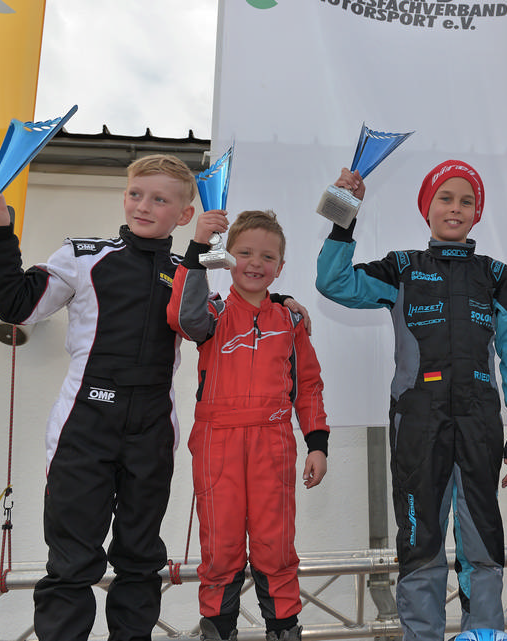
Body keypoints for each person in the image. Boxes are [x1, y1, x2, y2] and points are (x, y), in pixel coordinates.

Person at [0, 155, 303, 641]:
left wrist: (280, 302)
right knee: (72, 561)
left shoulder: (187, 271)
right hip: (84, 423)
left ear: (185, 214)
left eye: (160, 199)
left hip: (151, 429)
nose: (144, 206)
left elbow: (228, 312)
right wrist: (0, 235)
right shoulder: (83, 255)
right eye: (135, 195)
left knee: (140, 559)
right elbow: (17, 305)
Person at [315, 160, 507, 641]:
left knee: (482, 542)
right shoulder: (402, 268)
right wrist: (343, 218)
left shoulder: (495, 275)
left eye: (466, 201)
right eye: (445, 198)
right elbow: (335, 284)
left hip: (479, 422)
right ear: (427, 207)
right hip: (418, 421)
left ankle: (484, 636)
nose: (455, 208)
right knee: (421, 542)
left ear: (477, 213)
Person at [167, 209, 329, 641]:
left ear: (281, 265)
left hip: (272, 442)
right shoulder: (212, 312)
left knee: (275, 546)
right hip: (217, 443)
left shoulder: (291, 320)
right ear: (227, 258)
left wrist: (317, 443)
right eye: (245, 253)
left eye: (267, 256)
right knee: (220, 548)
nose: (256, 263)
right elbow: (181, 317)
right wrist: (197, 249)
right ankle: (218, 630)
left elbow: (308, 386)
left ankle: (284, 629)